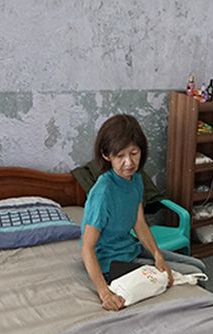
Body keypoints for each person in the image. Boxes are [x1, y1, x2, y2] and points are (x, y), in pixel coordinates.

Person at [81, 114, 206, 311]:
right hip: (110, 263)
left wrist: (157, 255)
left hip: (131, 249)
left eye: (134, 153)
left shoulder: (136, 179)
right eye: (120, 156)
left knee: (198, 266)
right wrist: (105, 293)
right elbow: (87, 249)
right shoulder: (103, 192)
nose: (129, 163)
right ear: (106, 155)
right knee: (191, 275)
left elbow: (138, 222)